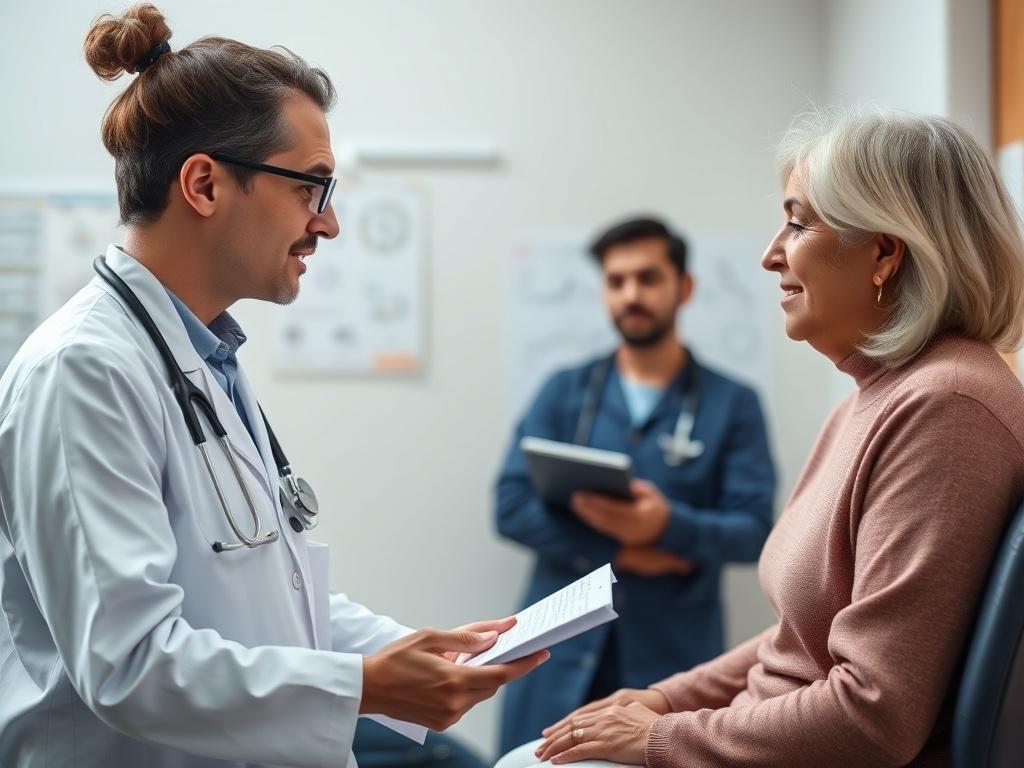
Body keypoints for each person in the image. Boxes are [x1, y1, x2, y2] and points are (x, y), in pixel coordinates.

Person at [0, 5, 548, 766]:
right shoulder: (83, 371)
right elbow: (128, 666)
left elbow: (266, 596)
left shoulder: (201, 356)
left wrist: (416, 656)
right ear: (204, 184)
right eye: (311, 188)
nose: (328, 226)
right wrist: (363, 686)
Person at [527, 107, 1024, 767]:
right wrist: (667, 701)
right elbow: (801, 642)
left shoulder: (946, 409)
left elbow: (874, 714)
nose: (770, 255)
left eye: (796, 222)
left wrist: (662, 738)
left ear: (882, 252)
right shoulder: (870, 401)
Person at [495, 217, 776, 753]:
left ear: (683, 288)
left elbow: (753, 529)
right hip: (557, 651)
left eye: (648, 278)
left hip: (671, 666)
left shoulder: (732, 403)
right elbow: (509, 506)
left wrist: (668, 524)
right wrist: (622, 548)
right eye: (617, 281)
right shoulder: (564, 391)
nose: (632, 295)